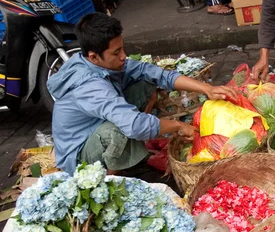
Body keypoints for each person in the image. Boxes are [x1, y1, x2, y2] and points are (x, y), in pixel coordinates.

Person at [48, 12, 235, 175]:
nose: (123, 56)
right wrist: (177, 126)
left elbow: (157, 74)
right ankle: (111, 175)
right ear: (94, 57)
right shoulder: (89, 85)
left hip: (96, 125)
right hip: (79, 156)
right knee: (119, 129)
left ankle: (133, 147)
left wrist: (207, 89)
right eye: (116, 52)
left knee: (145, 80)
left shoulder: (98, 63)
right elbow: (133, 124)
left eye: (122, 48)